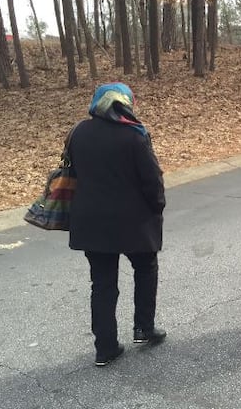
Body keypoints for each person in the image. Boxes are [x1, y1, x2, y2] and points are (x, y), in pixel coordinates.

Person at [68, 82, 167, 367]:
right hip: (134, 222)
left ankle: (105, 347)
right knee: (145, 269)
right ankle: (144, 329)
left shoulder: (78, 133)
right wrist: (157, 206)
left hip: (91, 222)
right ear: (125, 103)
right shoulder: (134, 135)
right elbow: (152, 180)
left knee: (102, 283)